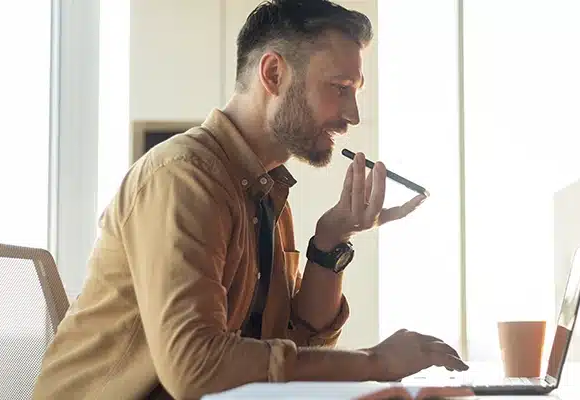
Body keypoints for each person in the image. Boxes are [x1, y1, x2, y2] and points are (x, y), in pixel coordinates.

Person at [32, 0, 468, 398]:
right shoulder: (185, 179)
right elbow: (196, 367)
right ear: (274, 74)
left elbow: (291, 353)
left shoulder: (266, 189)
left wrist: (331, 241)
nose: (352, 115)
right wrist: (375, 363)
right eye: (339, 87)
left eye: (356, 92)